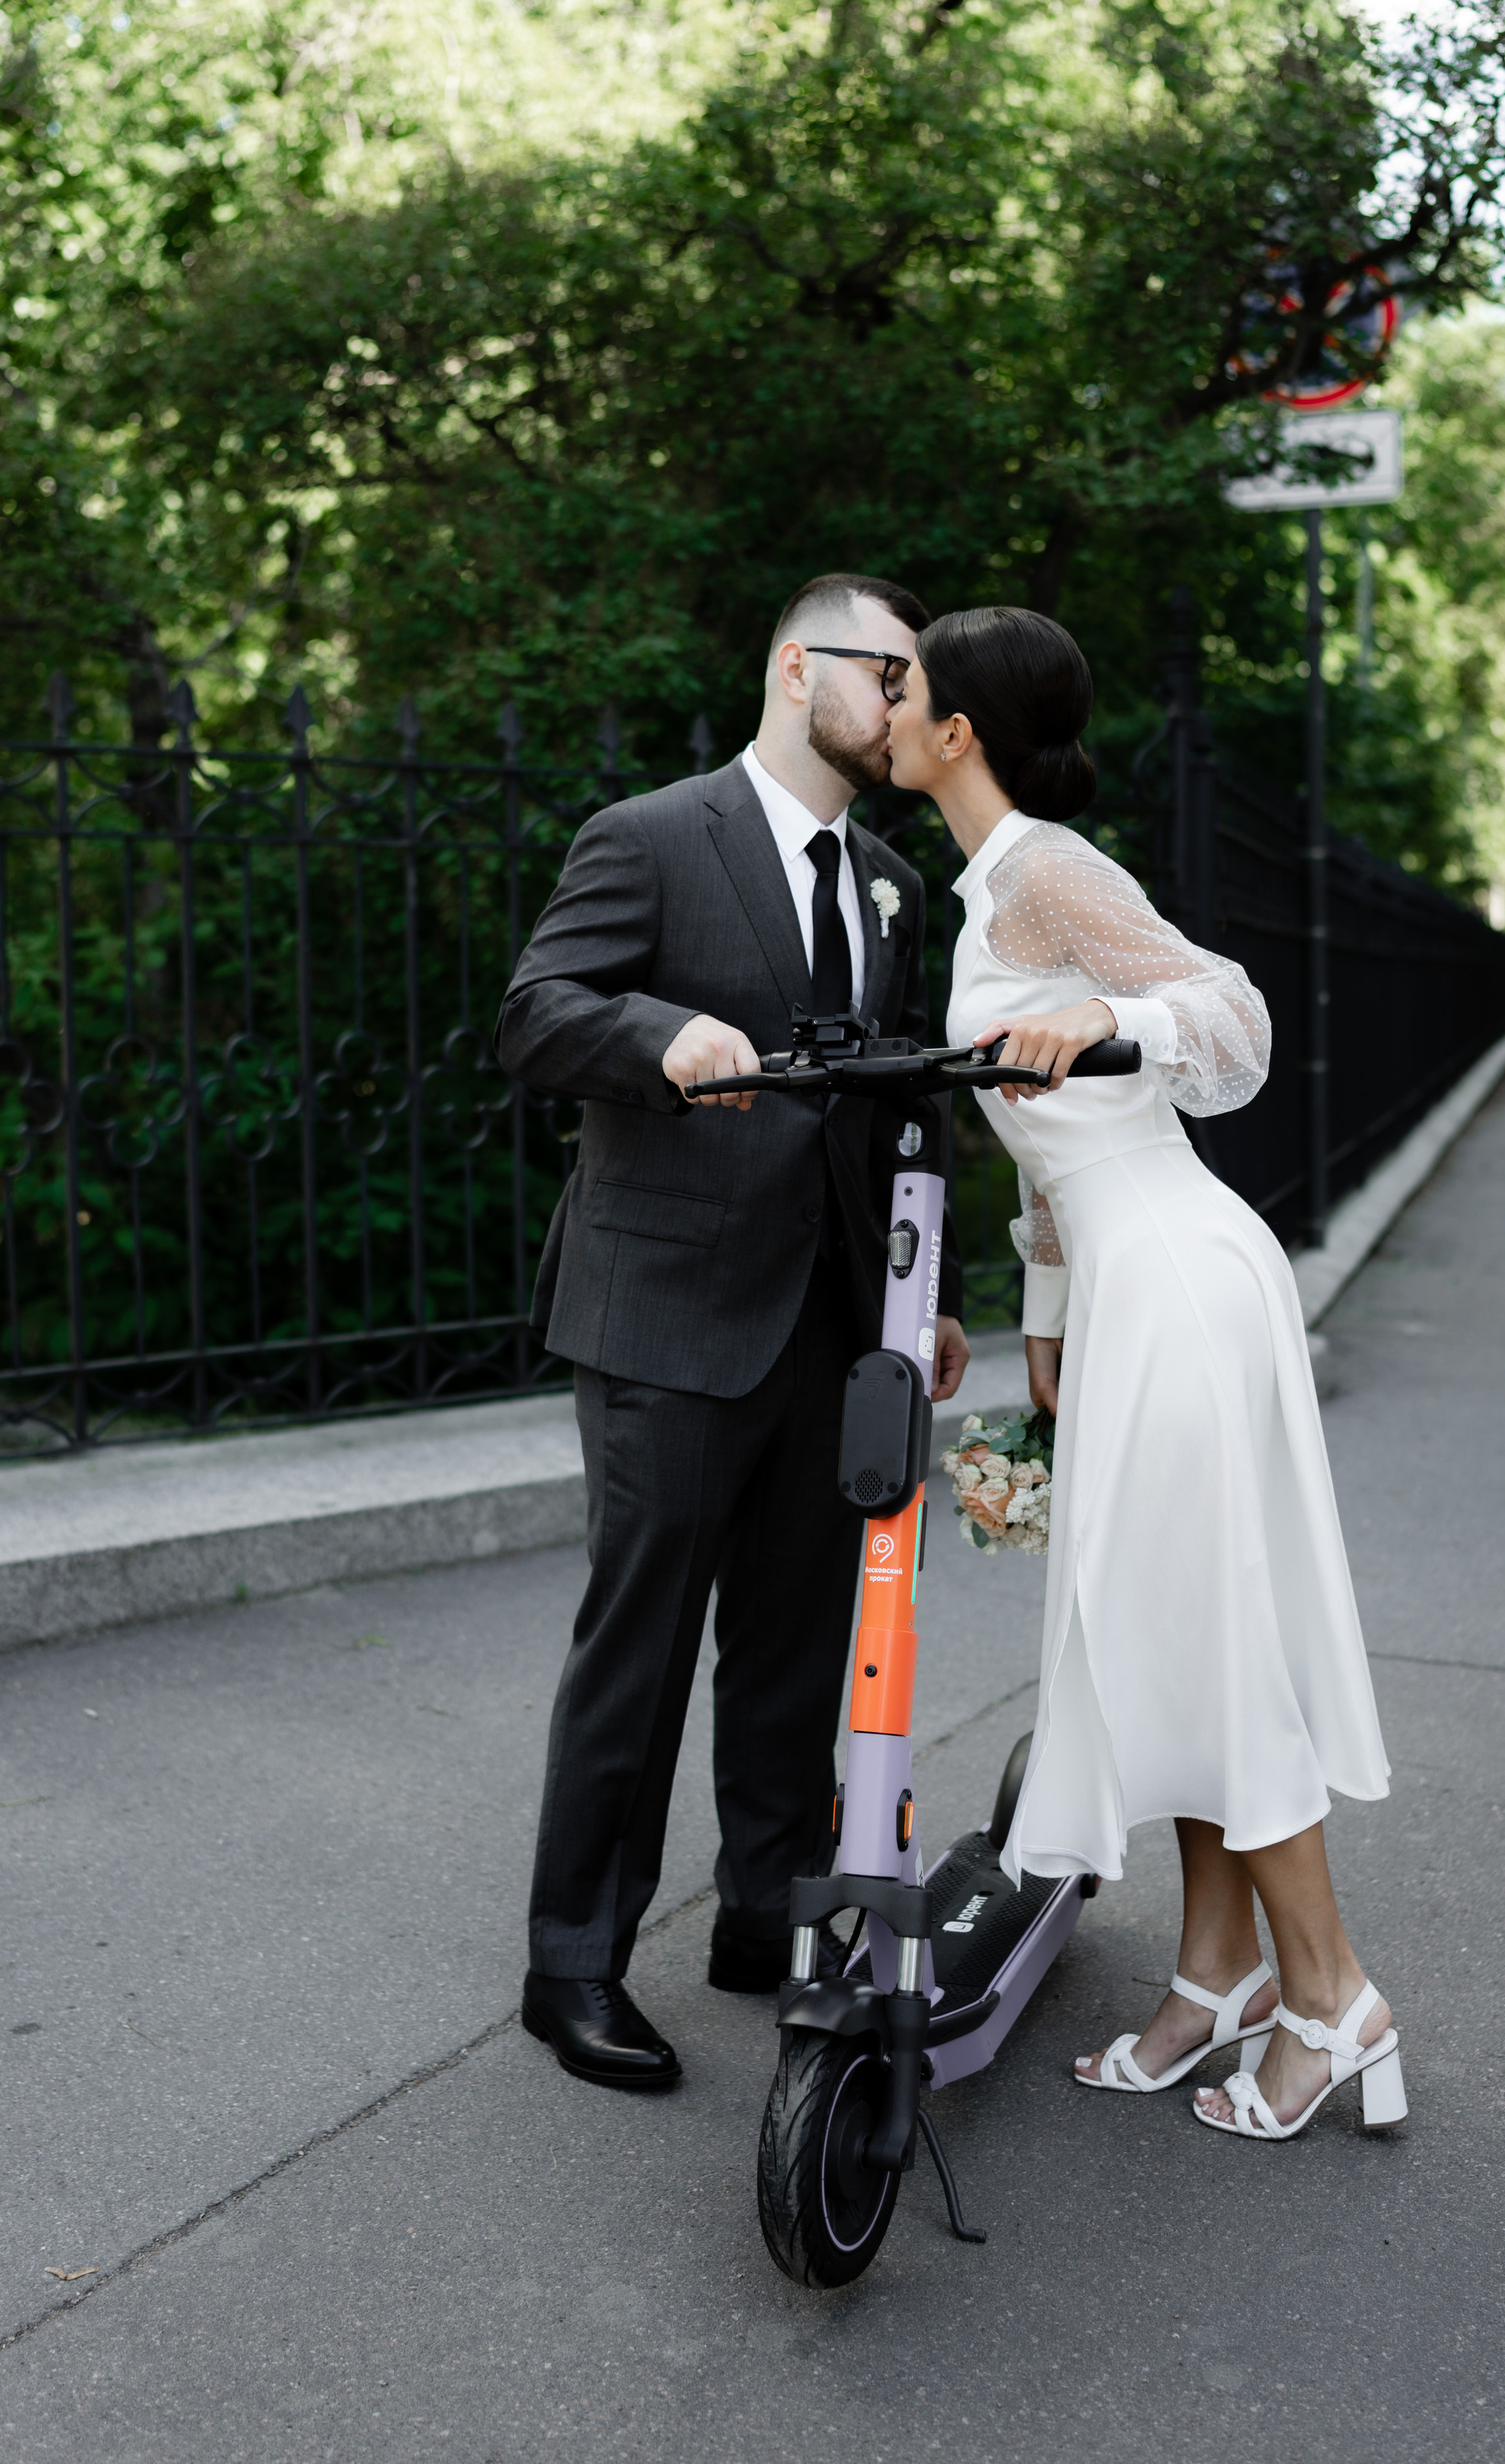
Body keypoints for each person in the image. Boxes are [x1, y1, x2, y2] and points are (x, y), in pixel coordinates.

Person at [886, 604, 1403, 2146]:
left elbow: (1228, 1018)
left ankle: (1332, 2002)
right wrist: (1046, 1309)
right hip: (1115, 1287)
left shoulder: (1044, 871)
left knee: (1207, 1638)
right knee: (1161, 1634)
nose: (886, 707)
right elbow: (1045, 1144)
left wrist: (1105, 1013)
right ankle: (1212, 1976)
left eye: (902, 688)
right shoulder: (984, 896)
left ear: (957, 728)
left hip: (1180, 1274)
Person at [496, 574, 970, 2092]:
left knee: (791, 1647)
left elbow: (896, 1096)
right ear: (793, 668)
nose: (901, 706)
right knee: (636, 1653)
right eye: (885, 675)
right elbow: (533, 1011)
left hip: (828, 1325)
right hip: (664, 1318)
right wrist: (655, 1038)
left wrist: (926, 1287)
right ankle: (572, 1966)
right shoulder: (649, 836)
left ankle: (762, 1913)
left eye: (910, 684)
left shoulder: (888, 881)